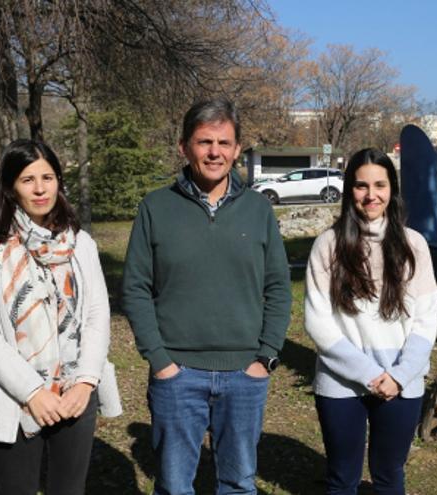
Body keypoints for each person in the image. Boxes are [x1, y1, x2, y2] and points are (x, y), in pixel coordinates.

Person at [122, 98, 292, 494]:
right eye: (204, 142)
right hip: (177, 373)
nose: (214, 152)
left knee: (238, 482)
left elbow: (279, 287)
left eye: (224, 142)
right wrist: (160, 360)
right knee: (175, 485)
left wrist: (265, 356)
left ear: (236, 150)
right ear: (184, 147)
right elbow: (135, 288)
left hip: (245, 374)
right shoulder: (156, 207)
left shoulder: (258, 210)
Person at [0, 139, 122, 495]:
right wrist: (32, 391)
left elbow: (97, 314)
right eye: (27, 179)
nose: (39, 189)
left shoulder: (80, 243)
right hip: (13, 396)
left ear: (58, 181)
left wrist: (85, 381)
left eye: (47, 177)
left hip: (73, 392)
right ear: (10, 188)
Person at [304, 148, 437, 494]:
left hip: (401, 383)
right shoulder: (328, 246)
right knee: (342, 477)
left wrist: (399, 375)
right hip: (340, 383)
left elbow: (426, 319)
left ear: (392, 188)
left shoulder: (414, 246)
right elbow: (318, 321)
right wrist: (367, 374)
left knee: (389, 474)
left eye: (379, 184)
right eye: (361, 186)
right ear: (350, 190)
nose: (371, 194)